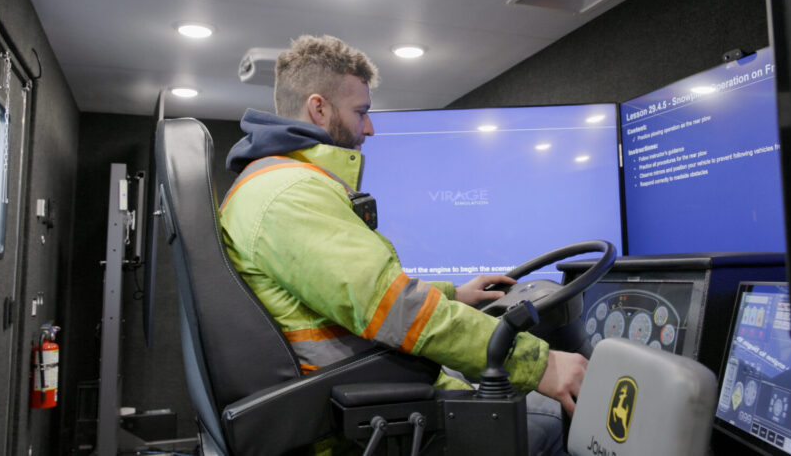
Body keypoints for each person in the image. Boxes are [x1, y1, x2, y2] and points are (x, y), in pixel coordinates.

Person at [219, 34, 587, 454]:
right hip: (358, 420)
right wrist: (540, 364)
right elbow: (395, 309)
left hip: (366, 393)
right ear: (318, 107)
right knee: (550, 423)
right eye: (361, 112)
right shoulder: (289, 195)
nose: (370, 128)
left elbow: (360, 295)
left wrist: (454, 294)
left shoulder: (271, 185)